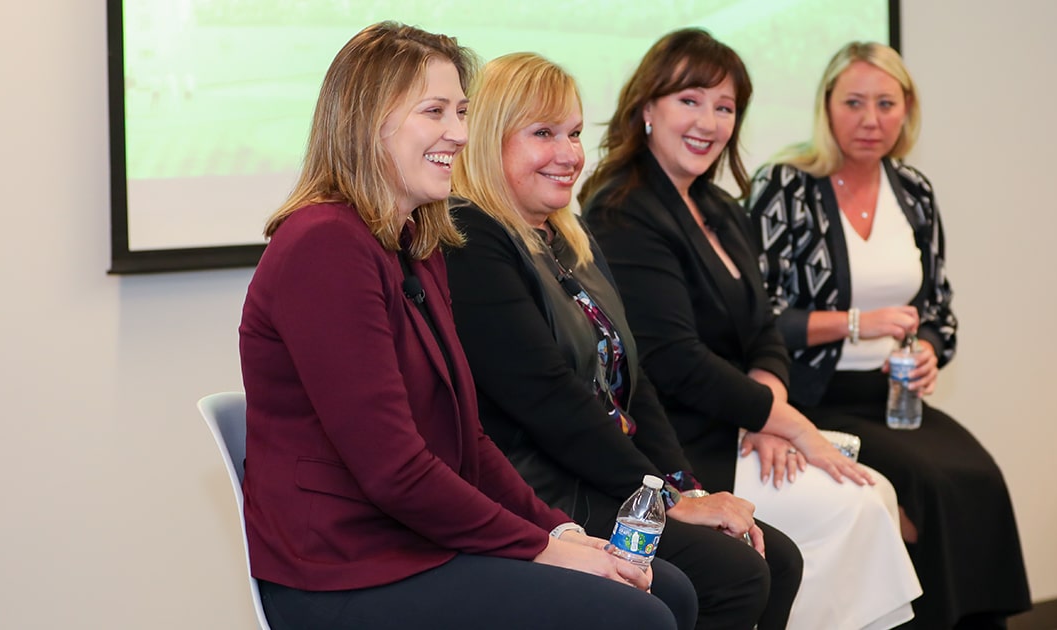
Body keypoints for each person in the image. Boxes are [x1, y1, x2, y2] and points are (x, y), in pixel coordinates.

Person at [237, 22, 697, 630]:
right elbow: (394, 470)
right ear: (366, 121)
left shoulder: (416, 242)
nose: (459, 133)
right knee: (642, 615)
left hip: (413, 541)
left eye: (462, 111)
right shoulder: (324, 244)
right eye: (435, 112)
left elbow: (465, 438)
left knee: (671, 591)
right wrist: (544, 548)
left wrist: (557, 528)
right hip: (347, 570)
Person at [445, 51, 802, 630]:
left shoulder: (568, 233)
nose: (569, 155)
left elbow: (635, 388)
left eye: (575, 133)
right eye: (543, 133)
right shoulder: (471, 239)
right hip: (547, 487)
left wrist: (683, 486)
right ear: (490, 138)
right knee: (736, 574)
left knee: (775, 557)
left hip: (607, 475)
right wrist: (669, 504)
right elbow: (551, 401)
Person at [580, 28, 922, 630]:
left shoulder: (719, 207)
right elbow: (675, 360)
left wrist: (768, 410)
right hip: (688, 447)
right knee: (859, 507)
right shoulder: (622, 209)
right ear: (646, 108)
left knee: (876, 496)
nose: (708, 121)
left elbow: (766, 327)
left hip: (742, 426)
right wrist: (782, 422)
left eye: (725, 107)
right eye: (689, 100)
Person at [745, 41, 1031, 629]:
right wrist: (856, 323)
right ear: (826, 107)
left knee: (979, 481)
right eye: (853, 102)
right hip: (814, 397)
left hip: (895, 399)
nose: (870, 120)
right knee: (927, 489)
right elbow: (757, 317)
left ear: (908, 110)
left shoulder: (914, 191)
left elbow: (938, 309)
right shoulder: (786, 186)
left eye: (885, 103)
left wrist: (926, 347)